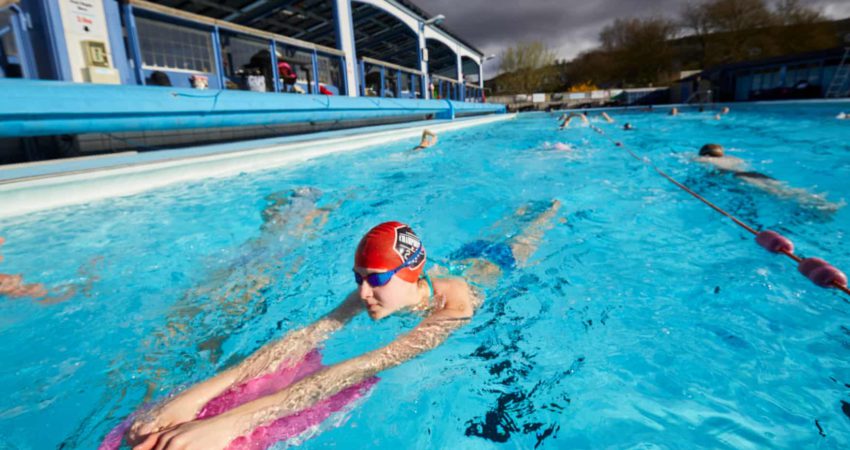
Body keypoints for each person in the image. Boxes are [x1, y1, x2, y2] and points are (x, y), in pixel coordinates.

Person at [126, 201, 562, 450]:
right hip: (461, 258)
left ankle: (553, 208)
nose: (363, 292)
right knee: (506, 223)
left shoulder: (452, 312)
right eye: (358, 279)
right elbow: (302, 339)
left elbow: (353, 369)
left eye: (375, 281)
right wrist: (194, 397)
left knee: (531, 228)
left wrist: (230, 424)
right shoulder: (378, 288)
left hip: (502, 268)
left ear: (409, 275)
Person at [696, 144, 842, 211]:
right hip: (754, 173)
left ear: (705, 154)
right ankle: (816, 200)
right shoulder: (733, 158)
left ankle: (815, 207)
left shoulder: (706, 159)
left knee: (777, 194)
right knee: (784, 189)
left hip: (739, 177)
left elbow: (694, 160)